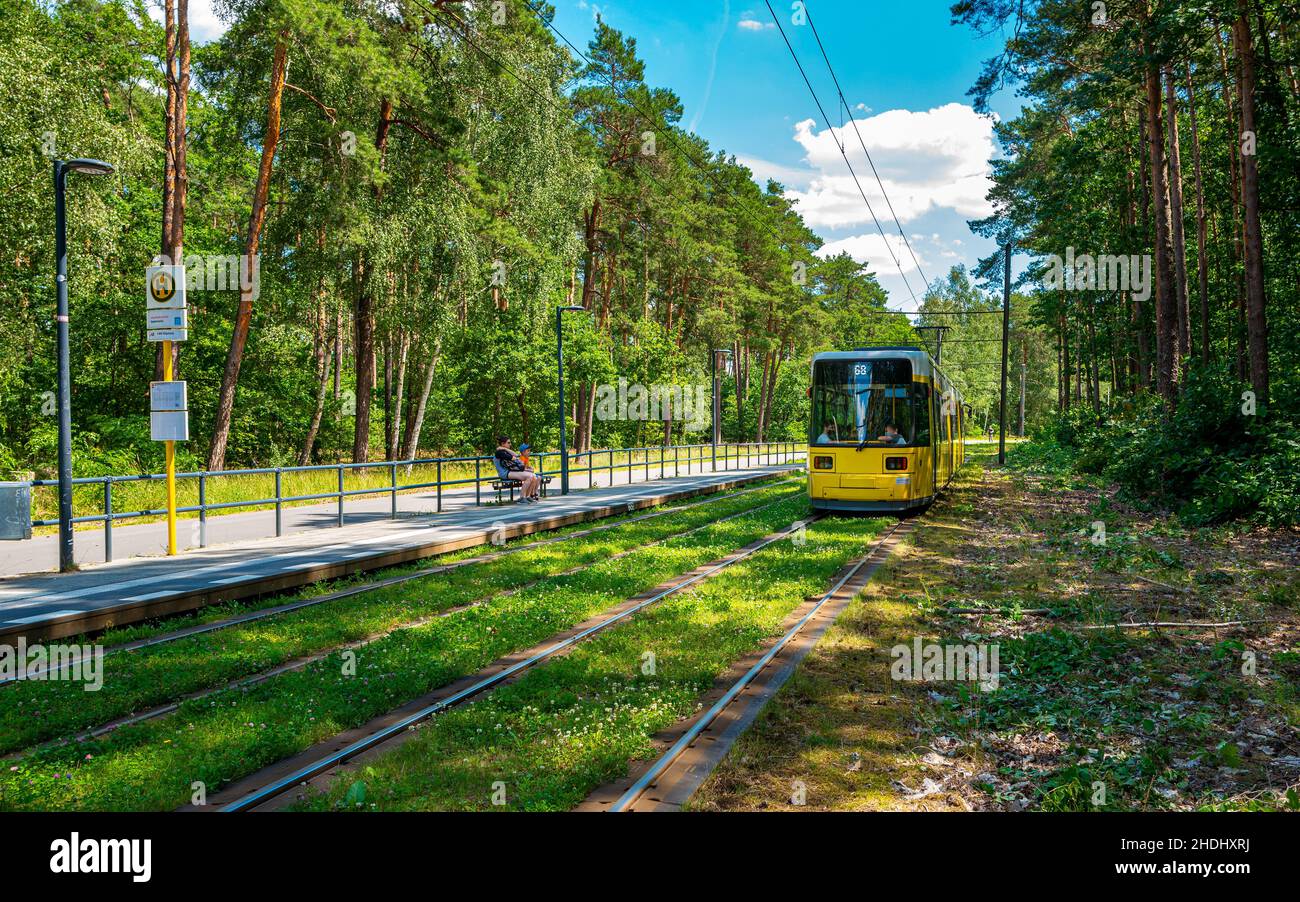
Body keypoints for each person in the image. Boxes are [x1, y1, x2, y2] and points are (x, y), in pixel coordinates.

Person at [495, 435, 540, 502]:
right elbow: (513, 457)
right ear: (503, 444)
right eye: (508, 443)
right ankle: (522, 497)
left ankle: (527, 496)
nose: (510, 444)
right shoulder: (499, 452)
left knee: (533, 476)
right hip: (505, 473)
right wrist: (504, 450)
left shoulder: (504, 451)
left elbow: (515, 455)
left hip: (510, 471)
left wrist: (504, 448)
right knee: (530, 476)